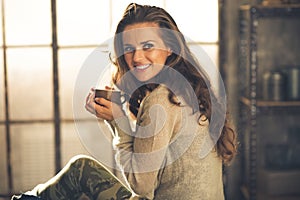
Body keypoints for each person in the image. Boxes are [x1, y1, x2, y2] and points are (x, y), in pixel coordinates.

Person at [12, 3, 237, 200]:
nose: (137, 57)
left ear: (170, 47)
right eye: (129, 49)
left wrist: (118, 120)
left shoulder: (162, 99)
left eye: (148, 46)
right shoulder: (188, 89)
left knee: (81, 169)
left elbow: (142, 187)